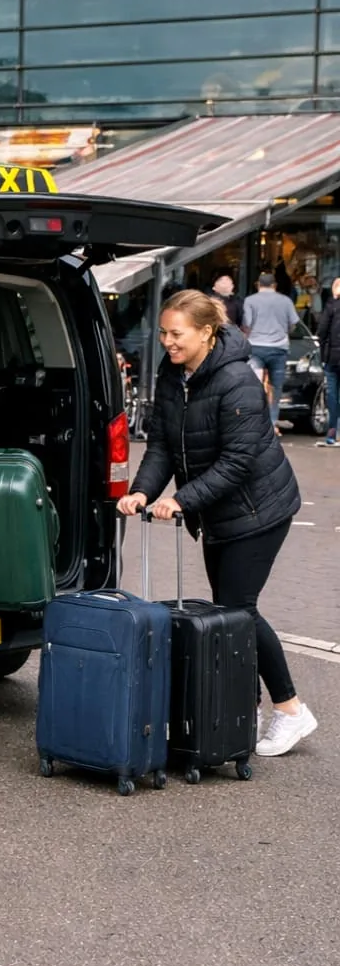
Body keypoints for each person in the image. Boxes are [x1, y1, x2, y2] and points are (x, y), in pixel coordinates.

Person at [119, 289, 317, 759]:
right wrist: (144, 490)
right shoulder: (173, 375)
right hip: (219, 513)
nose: (167, 342)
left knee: (238, 610)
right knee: (228, 611)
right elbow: (164, 445)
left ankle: (291, 711)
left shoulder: (237, 381)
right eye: (164, 333)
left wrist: (182, 500)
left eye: (177, 334)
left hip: (259, 510)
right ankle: (238, 714)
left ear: (207, 332)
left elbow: (238, 461)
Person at [243, 271, 299, 430]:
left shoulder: (250, 301)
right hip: (278, 347)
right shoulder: (286, 301)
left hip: (255, 347)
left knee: (255, 385)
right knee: (276, 386)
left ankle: (254, 421)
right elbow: (293, 323)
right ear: (274, 285)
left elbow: (246, 324)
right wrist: (283, 331)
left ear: (258, 285)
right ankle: (272, 422)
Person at [317, 276, 340, 447]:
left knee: (332, 395)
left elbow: (322, 332)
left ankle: (333, 432)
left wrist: (323, 355)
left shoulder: (331, 306)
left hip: (333, 358)